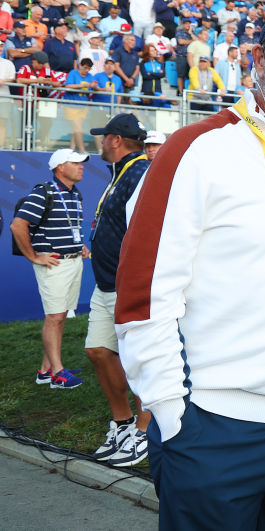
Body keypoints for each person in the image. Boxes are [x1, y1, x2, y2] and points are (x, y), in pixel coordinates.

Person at [114, 0, 265, 529]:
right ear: (257, 59)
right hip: (216, 427)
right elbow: (144, 294)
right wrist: (170, 412)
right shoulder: (196, 149)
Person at [85, 113, 152, 467]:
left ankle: (145, 430)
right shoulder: (121, 173)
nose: (100, 143)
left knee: (139, 360)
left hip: (129, 285)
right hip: (106, 284)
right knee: (97, 350)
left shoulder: (140, 172)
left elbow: (146, 232)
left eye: (103, 137)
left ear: (115, 139)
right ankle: (123, 422)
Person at [10, 149, 91, 389]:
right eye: (75, 163)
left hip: (72, 261)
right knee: (54, 317)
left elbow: (69, 225)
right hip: (55, 264)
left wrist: (79, 245)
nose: (81, 166)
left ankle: (45, 371)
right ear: (60, 167)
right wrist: (34, 256)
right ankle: (57, 373)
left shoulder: (75, 193)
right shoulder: (43, 192)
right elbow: (17, 225)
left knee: (61, 315)